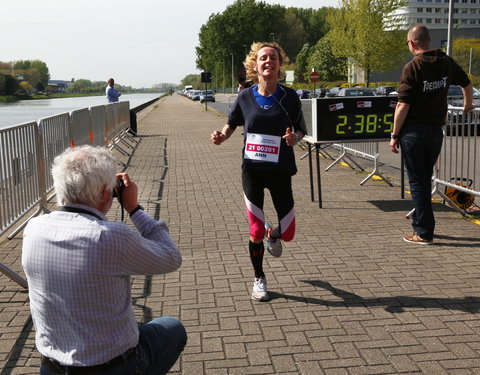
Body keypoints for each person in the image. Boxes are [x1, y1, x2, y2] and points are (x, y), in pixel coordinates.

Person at [22, 145, 187, 375]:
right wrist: (134, 208)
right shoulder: (110, 236)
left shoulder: (33, 228)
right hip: (113, 366)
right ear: (104, 193)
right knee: (173, 328)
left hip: (52, 366)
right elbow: (172, 257)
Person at [210, 42, 307, 302]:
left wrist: (294, 139)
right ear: (255, 65)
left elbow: (301, 130)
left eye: (273, 58)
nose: (268, 62)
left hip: (280, 170)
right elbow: (231, 124)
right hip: (252, 169)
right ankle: (259, 279)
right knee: (254, 229)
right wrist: (221, 136)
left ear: (279, 65)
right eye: (263, 58)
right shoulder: (245, 97)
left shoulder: (290, 97)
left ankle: (272, 234)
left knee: (288, 233)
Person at [390, 25, 474, 245]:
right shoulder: (446, 62)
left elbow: (403, 105)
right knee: (424, 180)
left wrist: (394, 134)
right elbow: (467, 83)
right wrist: (467, 106)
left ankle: (424, 232)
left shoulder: (412, 67)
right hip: (436, 131)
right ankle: (420, 220)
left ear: (411, 43)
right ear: (428, 40)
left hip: (413, 133)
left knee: (418, 182)